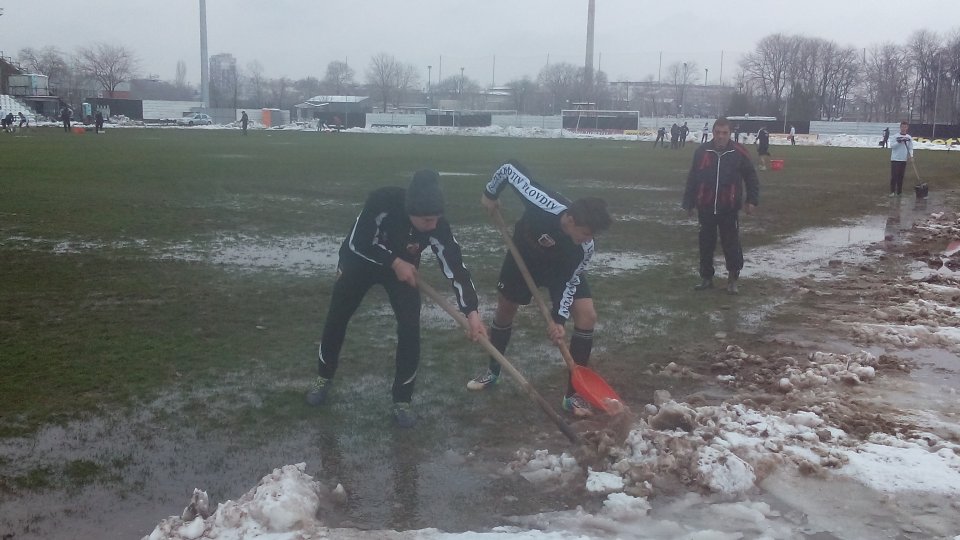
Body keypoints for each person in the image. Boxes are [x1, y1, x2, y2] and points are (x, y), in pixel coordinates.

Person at [306, 170, 486, 428]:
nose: (432, 225)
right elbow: (359, 241)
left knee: (410, 327)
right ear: (410, 212)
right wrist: (394, 261)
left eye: (436, 219)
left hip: (403, 272)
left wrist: (472, 312)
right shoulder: (382, 201)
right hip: (360, 261)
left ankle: (402, 400)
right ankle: (323, 378)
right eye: (426, 220)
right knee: (338, 316)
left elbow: (455, 266)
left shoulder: (437, 224)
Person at [467, 161, 612, 418]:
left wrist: (558, 319)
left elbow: (570, 283)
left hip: (560, 271)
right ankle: (493, 371)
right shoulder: (542, 201)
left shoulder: (584, 248)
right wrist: (491, 193)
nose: (588, 239)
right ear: (569, 219)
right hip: (523, 255)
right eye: (585, 232)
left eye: (592, 236)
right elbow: (510, 169)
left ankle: (573, 395)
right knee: (505, 309)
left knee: (587, 315)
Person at [682, 117, 759, 295]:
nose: (721, 136)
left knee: (731, 244)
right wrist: (689, 202)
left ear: (730, 133)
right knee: (706, 244)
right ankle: (706, 278)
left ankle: (732, 279)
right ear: (713, 133)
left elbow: (751, 178)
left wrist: (751, 200)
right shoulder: (702, 151)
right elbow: (693, 177)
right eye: (718, 133)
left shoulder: (739, 152)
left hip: (729, 208)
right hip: (706, 207)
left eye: (724, 133)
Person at [889, 121, 914, 197]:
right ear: (900, 127)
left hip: (903, 159)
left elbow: (910, 148)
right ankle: (892, 191)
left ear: (907, 128)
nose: (903, 128)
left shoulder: (909, 137)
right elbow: (892, 146)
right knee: (894, 176)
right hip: (895, 159)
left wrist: (911, 156)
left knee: (901, 176)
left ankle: (899, 192)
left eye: (905, 127)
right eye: (902, 127)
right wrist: (899, 142)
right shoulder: (895, 136)